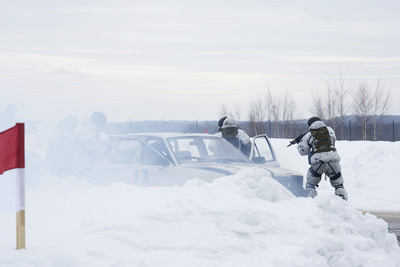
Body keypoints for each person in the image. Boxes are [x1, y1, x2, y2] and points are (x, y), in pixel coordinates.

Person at [297, 117, 348, 200]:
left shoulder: (309, 134)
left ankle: (310, 202)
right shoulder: (330, 130)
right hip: (333, 161)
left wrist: (300, 142)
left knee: (311, 185)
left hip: (318, 163)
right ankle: (343, 203)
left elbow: (303, 152)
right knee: (339, 185)